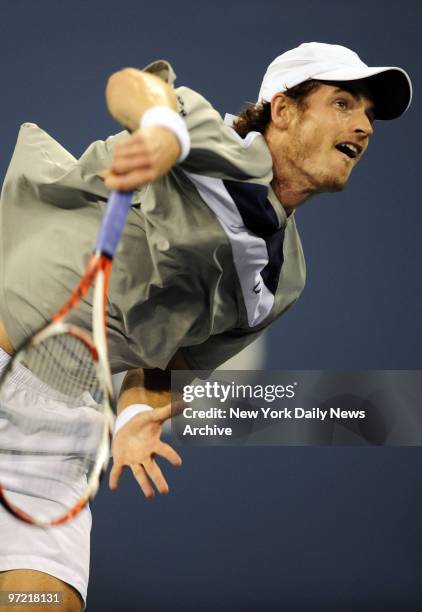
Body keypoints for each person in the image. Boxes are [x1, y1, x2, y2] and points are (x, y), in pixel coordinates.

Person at [0, 42, 412, 610]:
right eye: (343, 103)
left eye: (369, 115)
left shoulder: (283, 281)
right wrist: (164, 134)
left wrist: (140, 413)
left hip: (60, 434)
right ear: (282, 110)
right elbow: (134, 89)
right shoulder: (203, 134)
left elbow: (167, 363)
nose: (363, 126)